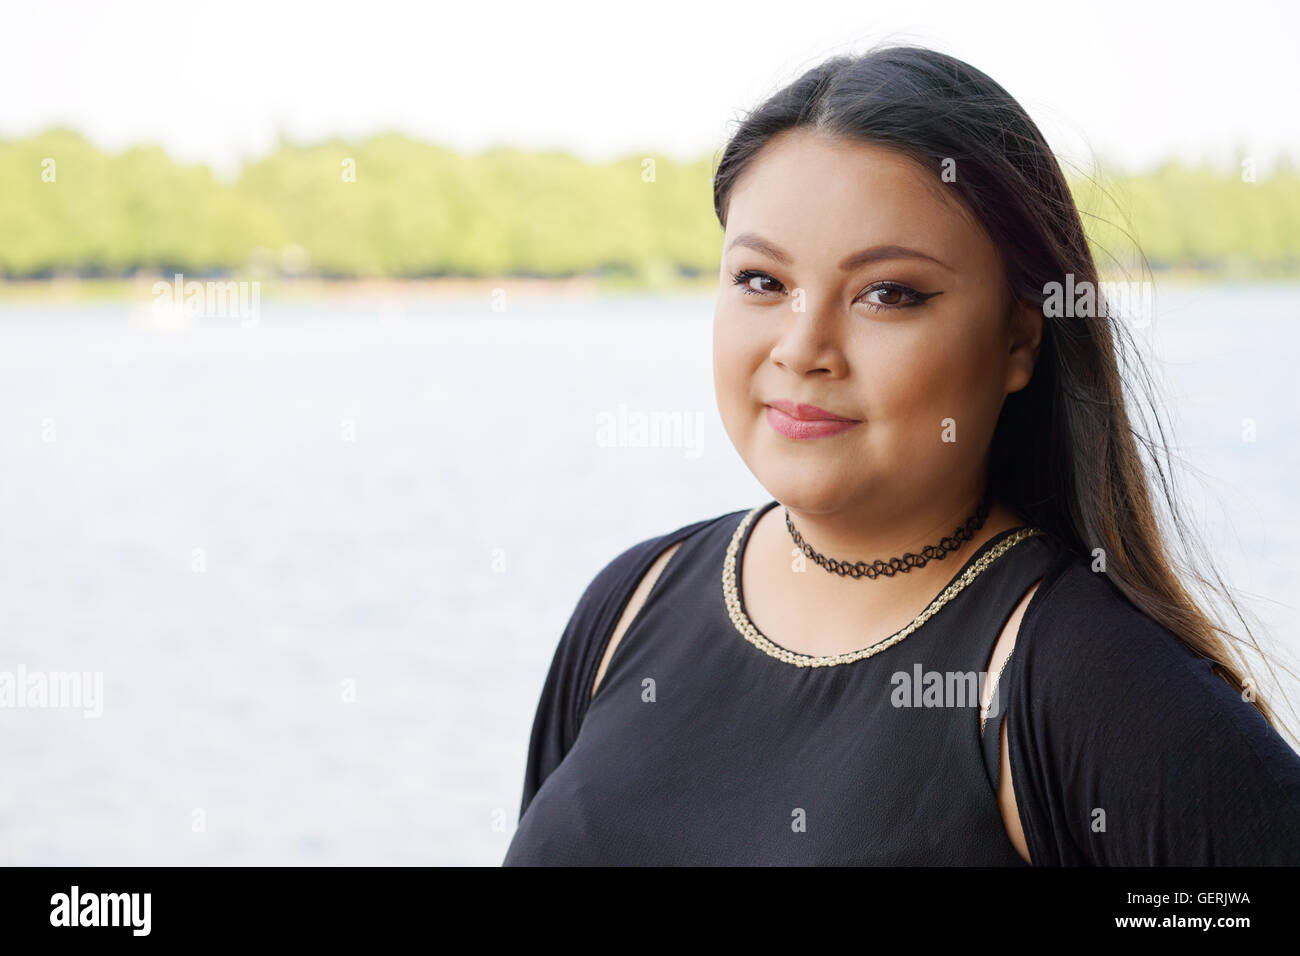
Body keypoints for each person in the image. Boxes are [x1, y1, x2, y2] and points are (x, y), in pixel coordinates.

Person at [502, 44, 1300, 866]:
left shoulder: (1087, 683)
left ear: (1020, 337)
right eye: (761, 281)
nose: (803, 348)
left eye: (888, 294)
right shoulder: (630, 602)